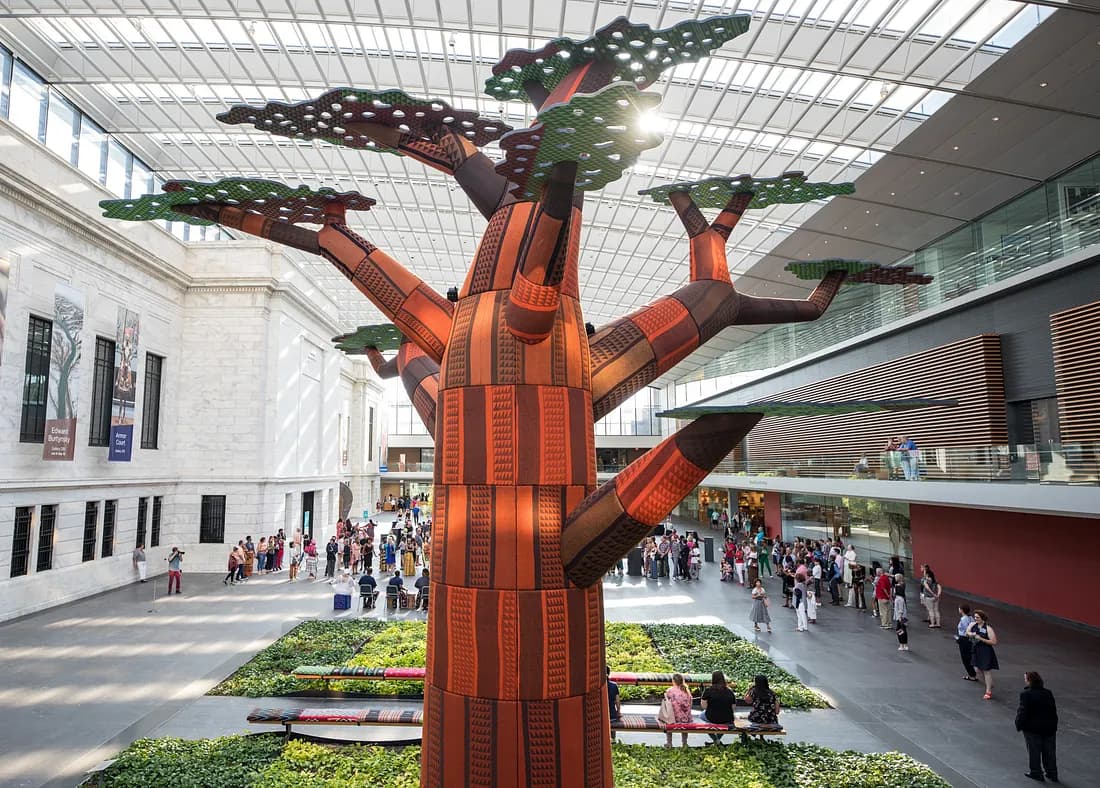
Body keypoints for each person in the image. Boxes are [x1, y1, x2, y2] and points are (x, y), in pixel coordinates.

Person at [1016, 671, 1058, 783]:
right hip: (1048, 727)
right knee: (1049, 751)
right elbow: (1053, 710)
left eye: (1025, 679)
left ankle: (1036, 772)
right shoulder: (1048, 693)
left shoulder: (1026, 694)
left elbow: (1023, 712)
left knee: (1034, 751)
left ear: (1029, 680)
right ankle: (1052, 772)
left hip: (1032, 728)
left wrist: (1019, 724)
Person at [967, 610, 999, 700]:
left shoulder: (988, 628)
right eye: (975, 617)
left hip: (985, 651)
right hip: (976, 649)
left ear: (982, 618)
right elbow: (967, 632)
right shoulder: (973, 625)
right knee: (976, 669)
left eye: (977, 617)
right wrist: (972, 634)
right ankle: (989, 683)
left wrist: (981, 638)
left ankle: (988, 691)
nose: (975, 619)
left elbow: (994, 641)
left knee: (986, 670)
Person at [700, 670, 736, 745]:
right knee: (725, 722)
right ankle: (717, 740)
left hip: (712, 717)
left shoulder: (708, 690)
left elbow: (704, 706)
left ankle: (715, 740)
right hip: (727, 718)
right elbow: (733, 707)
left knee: (702, 716)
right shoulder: (729, 691)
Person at [662, 673, 694, 748]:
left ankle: (669, 743)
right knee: (685, 725)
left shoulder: (670, 690)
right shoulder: (687, 691)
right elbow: (690, 704)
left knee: (668, 720)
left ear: (673, 681)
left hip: (674, 718)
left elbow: (667, 704)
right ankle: (684, 743)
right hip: (686, 718)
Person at [956, 605, 978, 681]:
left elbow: (967, 630)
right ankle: (973, 673)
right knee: (969, 656)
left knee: (965, 658)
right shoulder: (971, 618)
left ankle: (972, 675)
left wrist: (960, 638)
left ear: (962, 610)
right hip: (969, 640)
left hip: (964, 639)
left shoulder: (964, 619)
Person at [607, 666, 621, 738]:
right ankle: (613, 740)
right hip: (612, 716)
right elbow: (617, 702)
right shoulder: (614, 685)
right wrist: (618, 712)